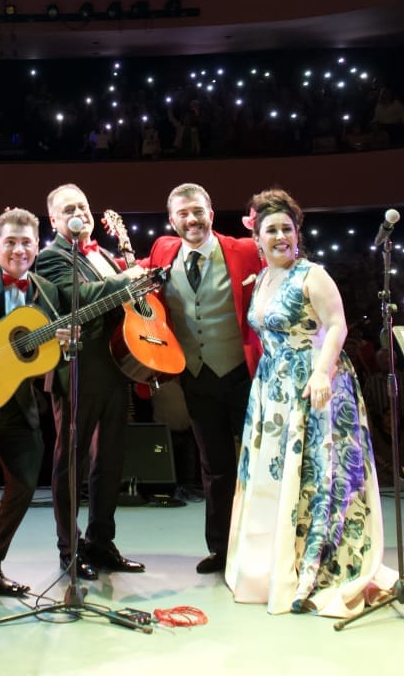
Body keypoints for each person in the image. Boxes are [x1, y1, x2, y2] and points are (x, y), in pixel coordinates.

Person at [0, 209, 132, 615]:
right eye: (11, 243)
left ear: (37, 246)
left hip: (16, 404)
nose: (19, 250)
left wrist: (65, 345)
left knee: (25, 483)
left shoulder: (45, 291)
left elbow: (47, 352)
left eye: (26, 243)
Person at [226, 189, 394, 617]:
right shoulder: (262, 279)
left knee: (318, 475)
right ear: (257, 238)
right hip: (273, 388)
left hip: (314, 384)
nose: (280, 237)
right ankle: (276, 565)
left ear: (297, 234)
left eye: (287, 228)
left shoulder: (312, 275)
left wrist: (321, 372)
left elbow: (336, 325)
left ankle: (315, 565)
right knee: (278, 476)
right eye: (271, 230)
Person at [143, 183, 263, 575]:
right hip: (196, 378)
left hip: (244, 374)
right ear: (171, 220)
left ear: (211, 214)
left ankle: (265, 549)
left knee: (262, 463)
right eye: (183, 213)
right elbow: (133, 271)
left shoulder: (245, 250)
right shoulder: (163, 250)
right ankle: (222, 550)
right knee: (215, 468)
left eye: (197, 211)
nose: (191, 219)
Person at [33, 184, 145, 579]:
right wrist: (128, 279)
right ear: (54, 220)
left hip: (116, 368)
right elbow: (74, 297)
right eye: (68, 209)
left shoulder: (107, 257)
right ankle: (69, 548)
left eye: (83, 206)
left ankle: (101, 541)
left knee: (110, 462)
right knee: (71, 464)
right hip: (77, 369)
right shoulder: (50, 257)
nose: (78, 213)